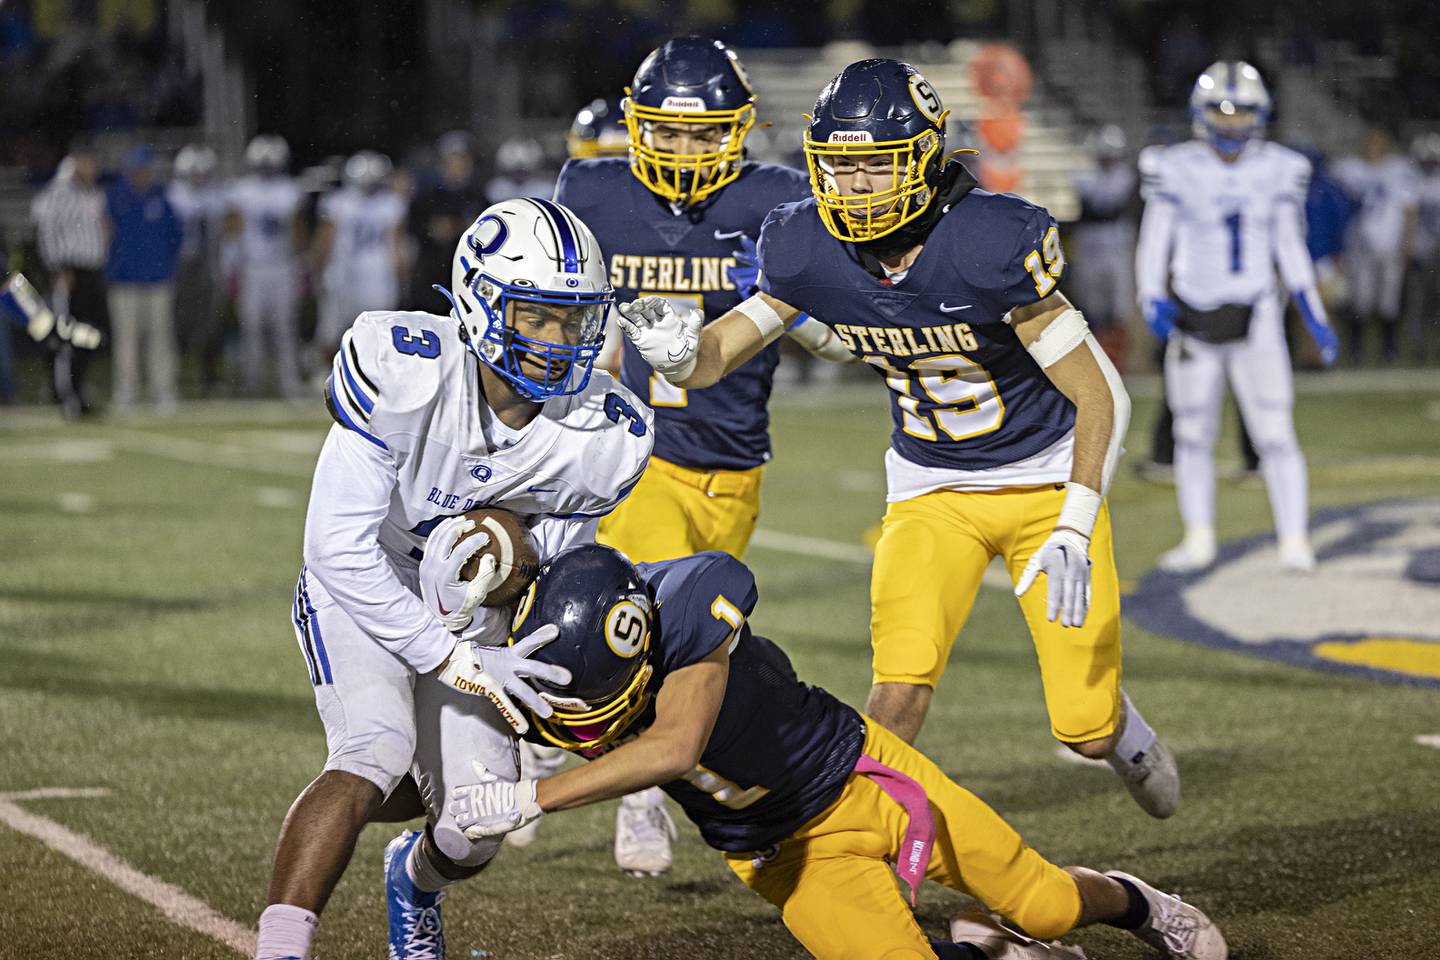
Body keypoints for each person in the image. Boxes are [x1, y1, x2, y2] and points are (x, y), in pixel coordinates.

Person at [620, 58, 1178, 817]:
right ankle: (877, 862)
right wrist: (680, 354)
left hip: (1043, 485)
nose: (852, 187)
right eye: (838, 167)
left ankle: (1124, 731)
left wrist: (1078, 519)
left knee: (1081, 727)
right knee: (894, 698)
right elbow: (715, 355)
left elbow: (1098, 394)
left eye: (873, 167)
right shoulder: (806, 244)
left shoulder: (989, 239)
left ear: (921, 159)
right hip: (930, 490)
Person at [439, 544, 1228, 960]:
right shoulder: (558, 667)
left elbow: (675, 746)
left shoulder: (687, 611)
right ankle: (990, 948)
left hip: (864, 781)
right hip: (778, 855)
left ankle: (1135, 902)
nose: (582, 725)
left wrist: (530, 800)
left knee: (1049, 904)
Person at [254, 198, 655, 960]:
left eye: (574, 320)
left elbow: (555, 568)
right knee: (373, 750)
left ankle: (413, 879)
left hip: (477, 614)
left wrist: (508, 623)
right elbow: (334, 545)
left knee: (475, 825)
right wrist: (442, 657)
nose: (558, 340)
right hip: (367, 583)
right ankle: (280, 947)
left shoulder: (600, 431)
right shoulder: (406, 366)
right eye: (537, 317)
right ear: (478, 302)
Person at [550, 35, 852, 874]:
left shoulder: (779, 199)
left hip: (736, 461)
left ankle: (549, 742)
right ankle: (642, 796)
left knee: (693, 636)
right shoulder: (594, 191)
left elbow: (833, 338)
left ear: (739, 128)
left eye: (702, 133)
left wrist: (785, 301)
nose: (684, 150)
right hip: (640, 453)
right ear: (637, 125)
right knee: (651, 632)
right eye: (669, 132)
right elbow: (577, 314)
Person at [1136, 61, 1339, 574]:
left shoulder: (1281, 167)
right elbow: (1154, 240)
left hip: (1259, 315)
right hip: (1193, 317)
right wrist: (1149, 297)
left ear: (1262, 113)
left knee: (1274, 432)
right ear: (1199, 114)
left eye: (1241, 111)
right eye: (1221, 112)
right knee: (1191, 433)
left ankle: (1294, 540)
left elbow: (1290, 246)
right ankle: (1199, 536)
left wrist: (1312, 312)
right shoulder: (1172, 165)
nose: (1230, 124)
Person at [31, 144, 109, 416]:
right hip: (69, 271)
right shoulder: (61, 191)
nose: (92, 168)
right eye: (87, 162)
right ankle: (66, 396)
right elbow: (48, 229)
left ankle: (78, 389)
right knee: (67, 335)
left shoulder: (90, 193)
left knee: (87, 335)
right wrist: (57, 268)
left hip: (90, 271)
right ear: (76, 162)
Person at [226, 134, 306, 398]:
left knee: (285, 326)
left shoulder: (289, 190)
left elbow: (297, 231)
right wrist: (232, 267)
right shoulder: (243, 190)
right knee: (252, 327)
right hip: (253, 267)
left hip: (282, 266)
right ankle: (253, 382)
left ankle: (288, 382)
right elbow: (234, 231)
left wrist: (300, 265)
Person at [105, 145, 184, 412]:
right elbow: (105, 236)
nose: (141, 175)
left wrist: (164, 266)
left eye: (144, 170)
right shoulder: (115, 198)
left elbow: (176, 239)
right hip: (123, 280)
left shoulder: (161, 199)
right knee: (126, 339)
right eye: (137, 170)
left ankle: (163, 390)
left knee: (161, 338)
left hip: (158, 279)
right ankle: (127, 390)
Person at [311, 150, 407, 367]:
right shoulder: (386, 203)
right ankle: (329, 373)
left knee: (370, 331)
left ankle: (348, 375)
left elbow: (325, 241)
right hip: (359, 273)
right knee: (337, 329)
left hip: (365, 272)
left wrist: (318, 268)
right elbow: (397, 247)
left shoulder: (341, 201)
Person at [1333, 125, 1418, 365]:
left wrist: (1407, 240)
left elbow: (1410, 210)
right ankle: (1356, 351)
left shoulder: (1398, 170)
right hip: (1358, 245)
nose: (1372, 146)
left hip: (1390, 243)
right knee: (1361, 298)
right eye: (1369, 141)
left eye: (1377, 141)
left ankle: (1388, 350)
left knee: (1388, 299)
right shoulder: (1349, 169)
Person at [1068, 125, 1136, 363]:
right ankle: (1094, 355)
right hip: (1090, 244)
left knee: (1118, 306)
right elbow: (1096, 202)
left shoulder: (1122, 175)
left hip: (1115, 244)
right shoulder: (1085, 174)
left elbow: (1109, 201)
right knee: (1091, 304)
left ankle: (1118, 359)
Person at [169, 143, 229, 395]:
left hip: (208, 268)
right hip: (180, 269)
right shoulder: (173, 195)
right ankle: (177, 378)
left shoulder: (215, 196)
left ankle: (209, 377)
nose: (197, 178)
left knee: (210, 326)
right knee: (178, 326)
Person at [408, 131, 488, 302]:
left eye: (463, 159)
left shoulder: (479, 197)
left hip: (468, 279)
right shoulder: (426, 198)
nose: (458, 165)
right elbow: (420, 230)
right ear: (442, 163)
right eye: (453, 160)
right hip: (430, 280)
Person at [1405, 132, 1440, 363]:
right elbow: (1410, 216)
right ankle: (1418, 347)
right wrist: (1408, 245)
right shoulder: (1411, 181)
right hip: (1421, 249)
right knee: (1418, 302)